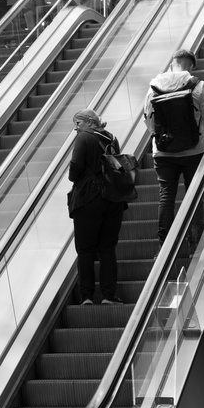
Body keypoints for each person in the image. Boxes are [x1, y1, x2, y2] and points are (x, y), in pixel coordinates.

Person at [142, 49, 204, 254]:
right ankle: (195, 244)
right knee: (194, 195)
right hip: (194, 150)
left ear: (173, 62)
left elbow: (149, 123)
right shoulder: (198, 86)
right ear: (191, 65)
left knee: (166, 196)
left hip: (164, 153)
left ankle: (165, 246)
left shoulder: (153, 88)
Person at [68, 109, 125, 305]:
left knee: (85, 250)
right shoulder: (112, 138)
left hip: (88, 199)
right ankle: (109, 296)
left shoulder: (84, 138)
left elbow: (75, 168)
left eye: (78, 123)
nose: (75, 128)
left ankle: (87, 297)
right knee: (107, 248)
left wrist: (76, 176)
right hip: (112, 198)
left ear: (91, 123)